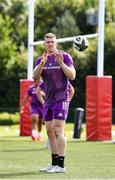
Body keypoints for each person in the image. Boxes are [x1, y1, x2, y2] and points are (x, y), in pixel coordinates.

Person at [33, 32, 76, 173]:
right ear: (44, 44)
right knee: (50, 132)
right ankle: (54, 163)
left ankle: (61, 165)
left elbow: (72, 76)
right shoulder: (41, 59)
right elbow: (34, 76)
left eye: (52, 41)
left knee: (58, 131)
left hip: (61, 98)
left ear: (56, 43)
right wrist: (42, 64)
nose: (50, 44)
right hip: (49, 100)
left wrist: (61, 63)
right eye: (48, 42)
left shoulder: (65, 56)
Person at [21, 77, 45, 141]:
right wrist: (23, 106)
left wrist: (43, 94)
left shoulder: (44, 88)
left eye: (40, 81)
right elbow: (26, 97)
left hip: (42, 106)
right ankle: (34, 135)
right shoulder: (31, 88)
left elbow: (48, 96)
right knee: (34, 119)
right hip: (34, 106)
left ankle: (39, 134)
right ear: (35, 81)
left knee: (40, 122)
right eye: (38, 81)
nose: (39, 82)